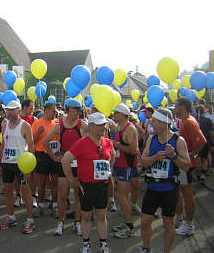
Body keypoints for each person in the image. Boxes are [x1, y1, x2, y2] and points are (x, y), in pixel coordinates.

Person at [62, 112, 114, 253]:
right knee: (86, 216)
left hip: (102, 185)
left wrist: (109, 172)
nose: (102, 128)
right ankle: (86, 244)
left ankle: (103, 245)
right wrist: (72, 180)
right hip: (87, 185)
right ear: (90, 126)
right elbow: (65, 160)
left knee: (102, 215)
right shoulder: (82, 143)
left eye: (103, 124)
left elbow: (112, 156)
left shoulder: (107, 142)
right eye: (98, 125)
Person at [140, 108, 190, 253]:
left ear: (163, 123)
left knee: (168, 222)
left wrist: (173, 156)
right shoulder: (152, 139)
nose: (151, 123)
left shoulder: (178, 140)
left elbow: (186, 166)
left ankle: (166, 250)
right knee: (145, 221)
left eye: (154, 121)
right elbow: (143, 161)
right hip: (153, 186)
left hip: (169, 188)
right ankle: (146, 247)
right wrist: (155, 158)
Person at [43, 98, 88, 236]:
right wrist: (53, 156)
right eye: (76, 110)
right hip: (64, 164)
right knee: (62, 195)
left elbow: (92, 141)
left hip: (79, 164)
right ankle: (61, 222)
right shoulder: (59, 126)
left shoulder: (83, 125)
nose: (79, 113)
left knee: (79, 195)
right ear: (69, 110)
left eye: (80, 110)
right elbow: (45, 141)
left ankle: (77, 222)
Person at [0, 100, 35, 234]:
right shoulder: (5, 124)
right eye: (8, 109)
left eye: (12, 109)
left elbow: (31, 147)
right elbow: (3, 144)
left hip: (22, 164)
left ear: (18, 111)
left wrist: (29, 169)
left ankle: (30, 221)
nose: (9, 112)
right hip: (7, 163)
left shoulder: (25, 126)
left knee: (25, 192)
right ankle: (11, 217)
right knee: (7, 191)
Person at [174, 98, 206, 236]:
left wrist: (191, 154)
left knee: (187, 194)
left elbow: (201, 141)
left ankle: (189, 225)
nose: (174, 108)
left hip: (186, 165)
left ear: (182, 107)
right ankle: (181, 219)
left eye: (176, 106)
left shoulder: (189, 122)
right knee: (181, 191)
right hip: (183, 163)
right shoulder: (183, 121)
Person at [111, 103, 138, 239]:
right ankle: (125, 222)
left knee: (121, 196)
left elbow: (134, 151)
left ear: (122, 114)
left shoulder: (130, 129)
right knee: (122, 196)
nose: (114, 115)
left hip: (127, 166)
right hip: (119, 165)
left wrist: (117, 145)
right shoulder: (119, 127)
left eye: (116, 113)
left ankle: (129, 226)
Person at [32, 102, 59, 218]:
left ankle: (55, 205)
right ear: (46, 110)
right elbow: (32, 141)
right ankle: (40, 205)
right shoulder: (37, 123)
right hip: (42, 155)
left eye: (56, 111)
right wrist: (38, 133)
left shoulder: (57, 123)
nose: (55, 113)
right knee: (41, 183)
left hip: (54, 154)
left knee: (54, 182)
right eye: (53, 111)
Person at [195, 105, 214, 181]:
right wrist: (212, 144)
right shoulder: (207, 120)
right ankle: (203, 173)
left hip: (196, 142)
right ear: (204, 111)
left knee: (197, 158)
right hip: (205, 142)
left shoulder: (193, 120)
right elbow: (211, 133)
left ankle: (199, 175)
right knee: (204, 159)